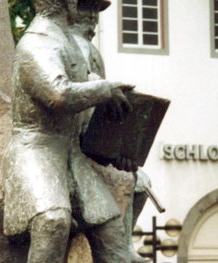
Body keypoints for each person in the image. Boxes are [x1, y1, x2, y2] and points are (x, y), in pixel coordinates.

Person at [0, 0, 134, 262]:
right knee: (53, 221)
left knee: (111, 228)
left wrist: (115, 153)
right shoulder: (37, 43)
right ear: (68, 3)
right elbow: (58, 95)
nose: (87, 11)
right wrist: (104, 90)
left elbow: (84, 119)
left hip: (71, 155)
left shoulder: (70, 44)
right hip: (36, 150)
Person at [70, 2, 151, 262]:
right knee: (124, 180)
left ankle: (125, 242)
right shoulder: (59, 48)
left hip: (92, 147)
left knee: (139, 179)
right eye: (86, 10)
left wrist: (118, 151)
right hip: (67, 148)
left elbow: (102, 117)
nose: (92, 19)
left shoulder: (92, 53)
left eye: (95, 12)